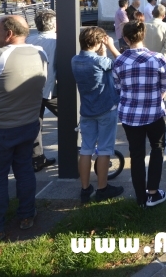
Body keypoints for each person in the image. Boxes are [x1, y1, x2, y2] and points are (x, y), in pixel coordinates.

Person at [0, 15, 47, 240]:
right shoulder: (40, 53)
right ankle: (27, 215)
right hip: (29, 124)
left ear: (8, 33)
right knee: (24, 170)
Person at [114, 21, 166, 208]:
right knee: (157, 148)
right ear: (143, 35)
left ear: (126, 38)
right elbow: (165, 86)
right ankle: (152, 192)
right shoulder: (158, 58)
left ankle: (140, 198)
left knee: (136, 155)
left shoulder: (119, 61)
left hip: (130, 115)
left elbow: (118, 87)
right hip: (154, 113)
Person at [72, 27, 124, 204]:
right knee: (104, 149)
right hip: (105, 109)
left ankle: (85, 189)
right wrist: (109, 47)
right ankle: (103, 188)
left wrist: (101, 52)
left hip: (86, 110)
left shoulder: (75, 60)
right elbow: (122, 61)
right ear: (98, 42)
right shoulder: (99, 61)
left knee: (86, 149)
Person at [28, 10, 58, 171]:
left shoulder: (28, 40)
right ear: (54, 24)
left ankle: (36, 158)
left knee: (35, 123)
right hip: (52, 89)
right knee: (73, 119)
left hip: (31, 90)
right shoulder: (57, 41)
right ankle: (78, 152)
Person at [144, 4, 166, 74]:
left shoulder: (142, 26)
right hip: (161, 62)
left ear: (152, 13)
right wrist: (158, 59)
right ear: (164, 16)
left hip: (145, 60)